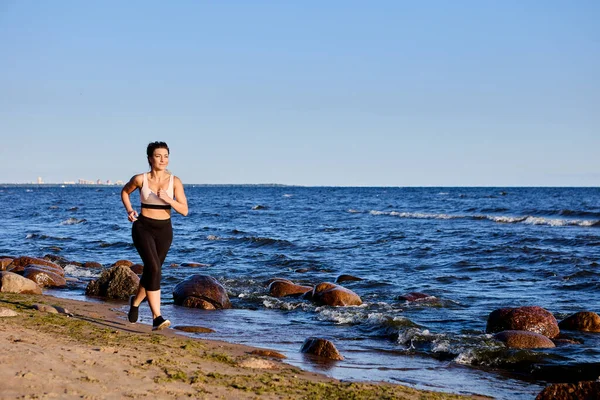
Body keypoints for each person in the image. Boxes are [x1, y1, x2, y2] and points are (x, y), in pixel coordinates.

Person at [121, 141, 188, 330]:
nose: (163, 159)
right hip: (143, 227)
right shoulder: (140, 179)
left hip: (164, 231)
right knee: (154, 269)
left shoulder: (175, 181)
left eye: (166, 156)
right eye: (158, 156)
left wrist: (169, 200)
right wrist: (129, 210)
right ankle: (157, 317)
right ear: (150, 158)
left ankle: (135, 302)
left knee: (152, 271)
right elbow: (125, 192)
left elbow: (184, 210)